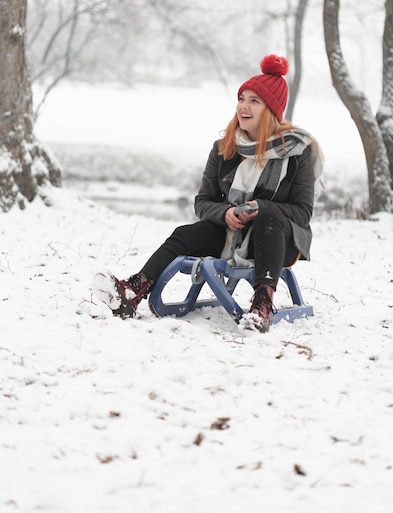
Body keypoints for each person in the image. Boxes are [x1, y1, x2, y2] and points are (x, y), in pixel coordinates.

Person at [93, 54, 324, 332]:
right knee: (185, 233)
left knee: (268, 219)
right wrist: (225, 213)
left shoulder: (297, 153)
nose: (244, 106)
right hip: (232, 233)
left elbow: (302, 212)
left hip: (278, 241)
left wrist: (262, 207)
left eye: (254, 101)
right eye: (242, 98)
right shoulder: (223, 148)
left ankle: (262, 304)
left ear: (271, 111)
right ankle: (134, 291)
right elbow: (202, 202)